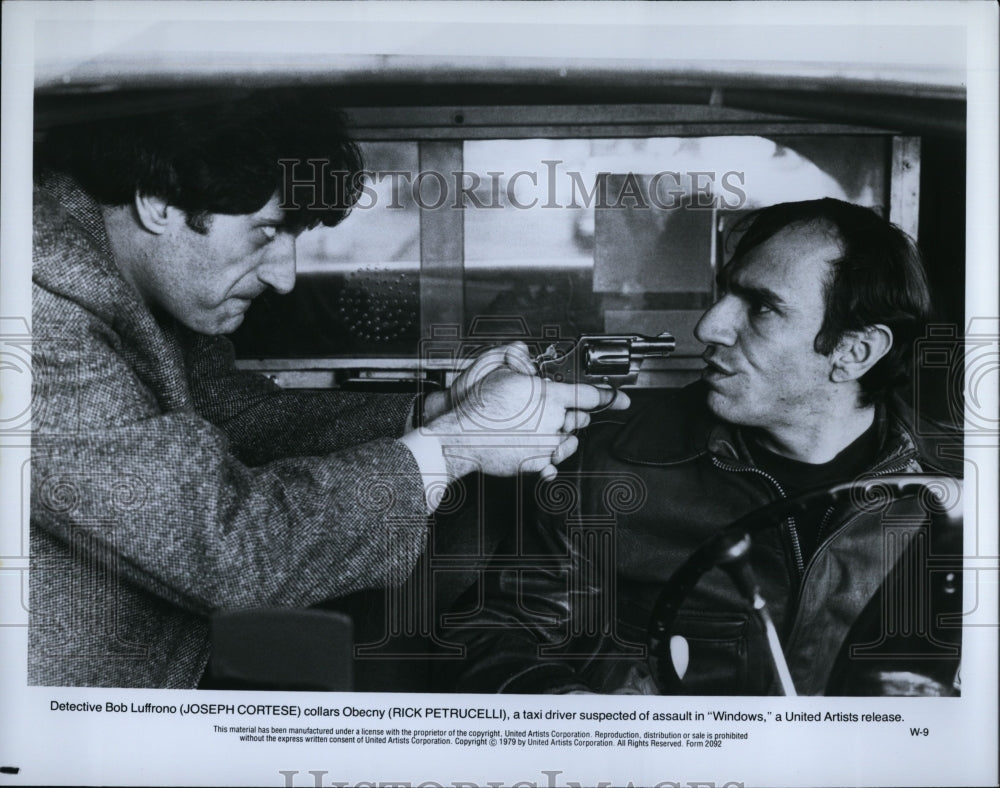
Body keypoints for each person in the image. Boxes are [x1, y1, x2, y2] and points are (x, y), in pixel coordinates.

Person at [29, 90, 627, 689]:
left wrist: (446, 410)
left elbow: (237, 418)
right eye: (265, 233)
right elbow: (230, 552)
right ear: (157, 202)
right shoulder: (37, 308)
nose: (285, 277)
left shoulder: (140, 280)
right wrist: (453, 446)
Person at [444, 198, 963, 697]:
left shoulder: (960, 490)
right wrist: (572, 703)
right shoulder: (612, 464)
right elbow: (496, 631)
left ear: (852, 351)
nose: (708, 326)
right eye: (725, 294)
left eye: (760, 307)